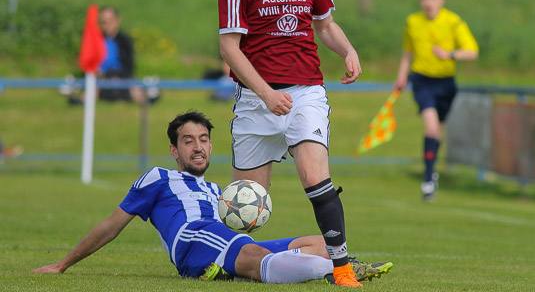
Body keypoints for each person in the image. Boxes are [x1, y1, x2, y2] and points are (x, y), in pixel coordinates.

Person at [31, 110, 392, 284]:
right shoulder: (158, 178)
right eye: (188, 141)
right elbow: (112, 225)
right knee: (256, 255)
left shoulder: (217, 190)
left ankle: (323, 262)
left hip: (219, 240)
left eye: (203, 139)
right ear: (174, 150)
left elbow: (233, 229)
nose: (198, 147)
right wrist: (63, 264)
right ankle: (339, 272)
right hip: (193, 238)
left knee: (318, 241)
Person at [218, 0, 363, 287]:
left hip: (305, 93)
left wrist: (347, 50)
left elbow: (326, 25)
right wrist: (265, 93)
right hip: (256, 99)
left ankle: (343, 269)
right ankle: (227, 263)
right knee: (243, 203)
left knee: (315, 176)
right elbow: (229, 47)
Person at [394, 0, 479, 201]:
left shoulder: (453, 22)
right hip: (422, 81)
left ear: (441, 0)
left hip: (446, 84)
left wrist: (450, 54)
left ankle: (431, 171)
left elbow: (472, 52)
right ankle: (428, 179)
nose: (428, 3)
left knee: (437, 132)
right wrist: (402, 75)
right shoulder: (412, 22)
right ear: (420, 1)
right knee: (431, 128)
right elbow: (407, 52)